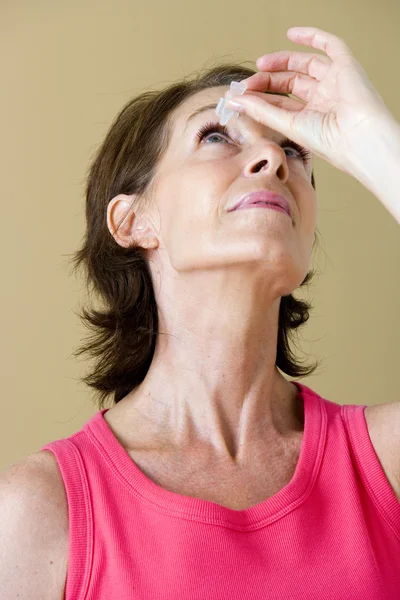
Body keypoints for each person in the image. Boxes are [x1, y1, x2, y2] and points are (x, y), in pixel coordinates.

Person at [1, 26, 400, 599]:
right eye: (216, 135)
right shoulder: (38, 514)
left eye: (294, 150)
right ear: (134, 221)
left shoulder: (382, 466)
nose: (272, 158)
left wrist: (375, 144)